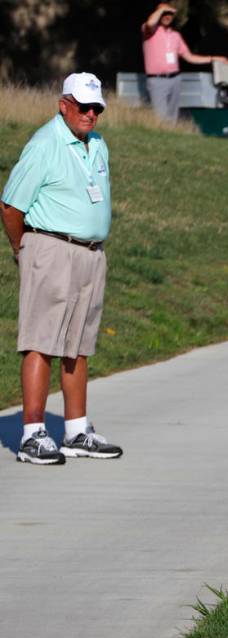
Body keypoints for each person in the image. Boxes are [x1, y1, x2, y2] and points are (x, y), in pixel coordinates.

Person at [1, 73, 123, 465]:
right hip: (50, 247)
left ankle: (75, 431)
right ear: (63, 104)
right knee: (42, 341)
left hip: (90, 253)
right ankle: (33, 434)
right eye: (83, 107)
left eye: (96, 108)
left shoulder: (97, 144)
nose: (90, 115)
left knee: (79, 344)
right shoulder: (45, 144)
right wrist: (23, 249)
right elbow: (10, 206)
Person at [141, 3, 228, 122]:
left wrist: (213, 58)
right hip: (157, 80)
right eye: (164, 13)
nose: (167, 16)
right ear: (158, 14)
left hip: (175, 79)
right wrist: (163, 9)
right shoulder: (149, 31)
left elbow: (189, 57)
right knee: (160, 116)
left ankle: (170, 138)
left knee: (172, 116)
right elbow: (151, 23)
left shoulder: (175, 35)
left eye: (170, 14)